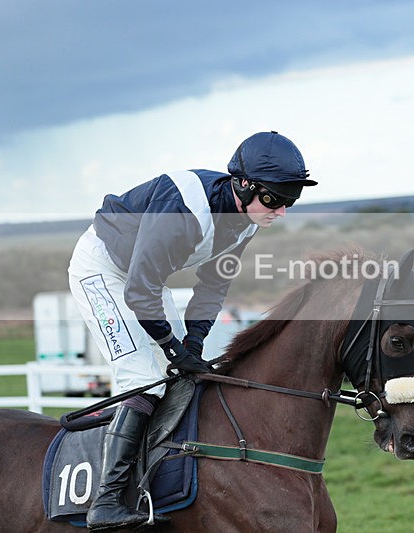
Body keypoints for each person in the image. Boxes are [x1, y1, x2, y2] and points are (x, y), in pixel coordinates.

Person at [68, 131, 316, 531]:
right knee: (145, 377)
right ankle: (107, 500)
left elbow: (213, 285)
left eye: (290, 201)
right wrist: (170, 346)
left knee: (182, 376)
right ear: (243, 185)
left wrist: (194, 343)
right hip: (103, 271)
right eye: (274, 199)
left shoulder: (246, 222)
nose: (281, 212)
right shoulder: (183, 210)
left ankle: (158, 474)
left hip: (145, 280)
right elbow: (138, 290)